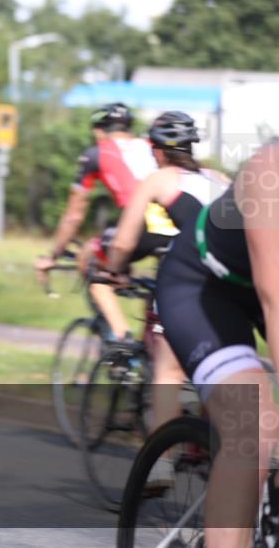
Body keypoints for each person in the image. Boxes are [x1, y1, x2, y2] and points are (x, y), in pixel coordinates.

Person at [155, 140, 278, 547]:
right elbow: (273, 299)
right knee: (253, 427)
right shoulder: (269, 172)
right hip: (202, 286)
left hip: (256, 289)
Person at [100, 111, 231, 483]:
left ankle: (161, 463)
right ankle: (209, 442)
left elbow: (124, 240)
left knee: (167, 369)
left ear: (156, 150)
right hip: (236, 284)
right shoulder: (220, 179)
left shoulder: (159, 179)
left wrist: (113, 270)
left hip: (190, 280)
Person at [35, 102, 177, 341]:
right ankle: (150, 357)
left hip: (142, 226)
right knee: (155, 290)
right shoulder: (151, 146)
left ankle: (121, 343)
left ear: (98, 130)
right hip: (177, 223)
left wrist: (53, 254)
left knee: (96, 271)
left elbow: (73, 216)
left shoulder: (96, 153)